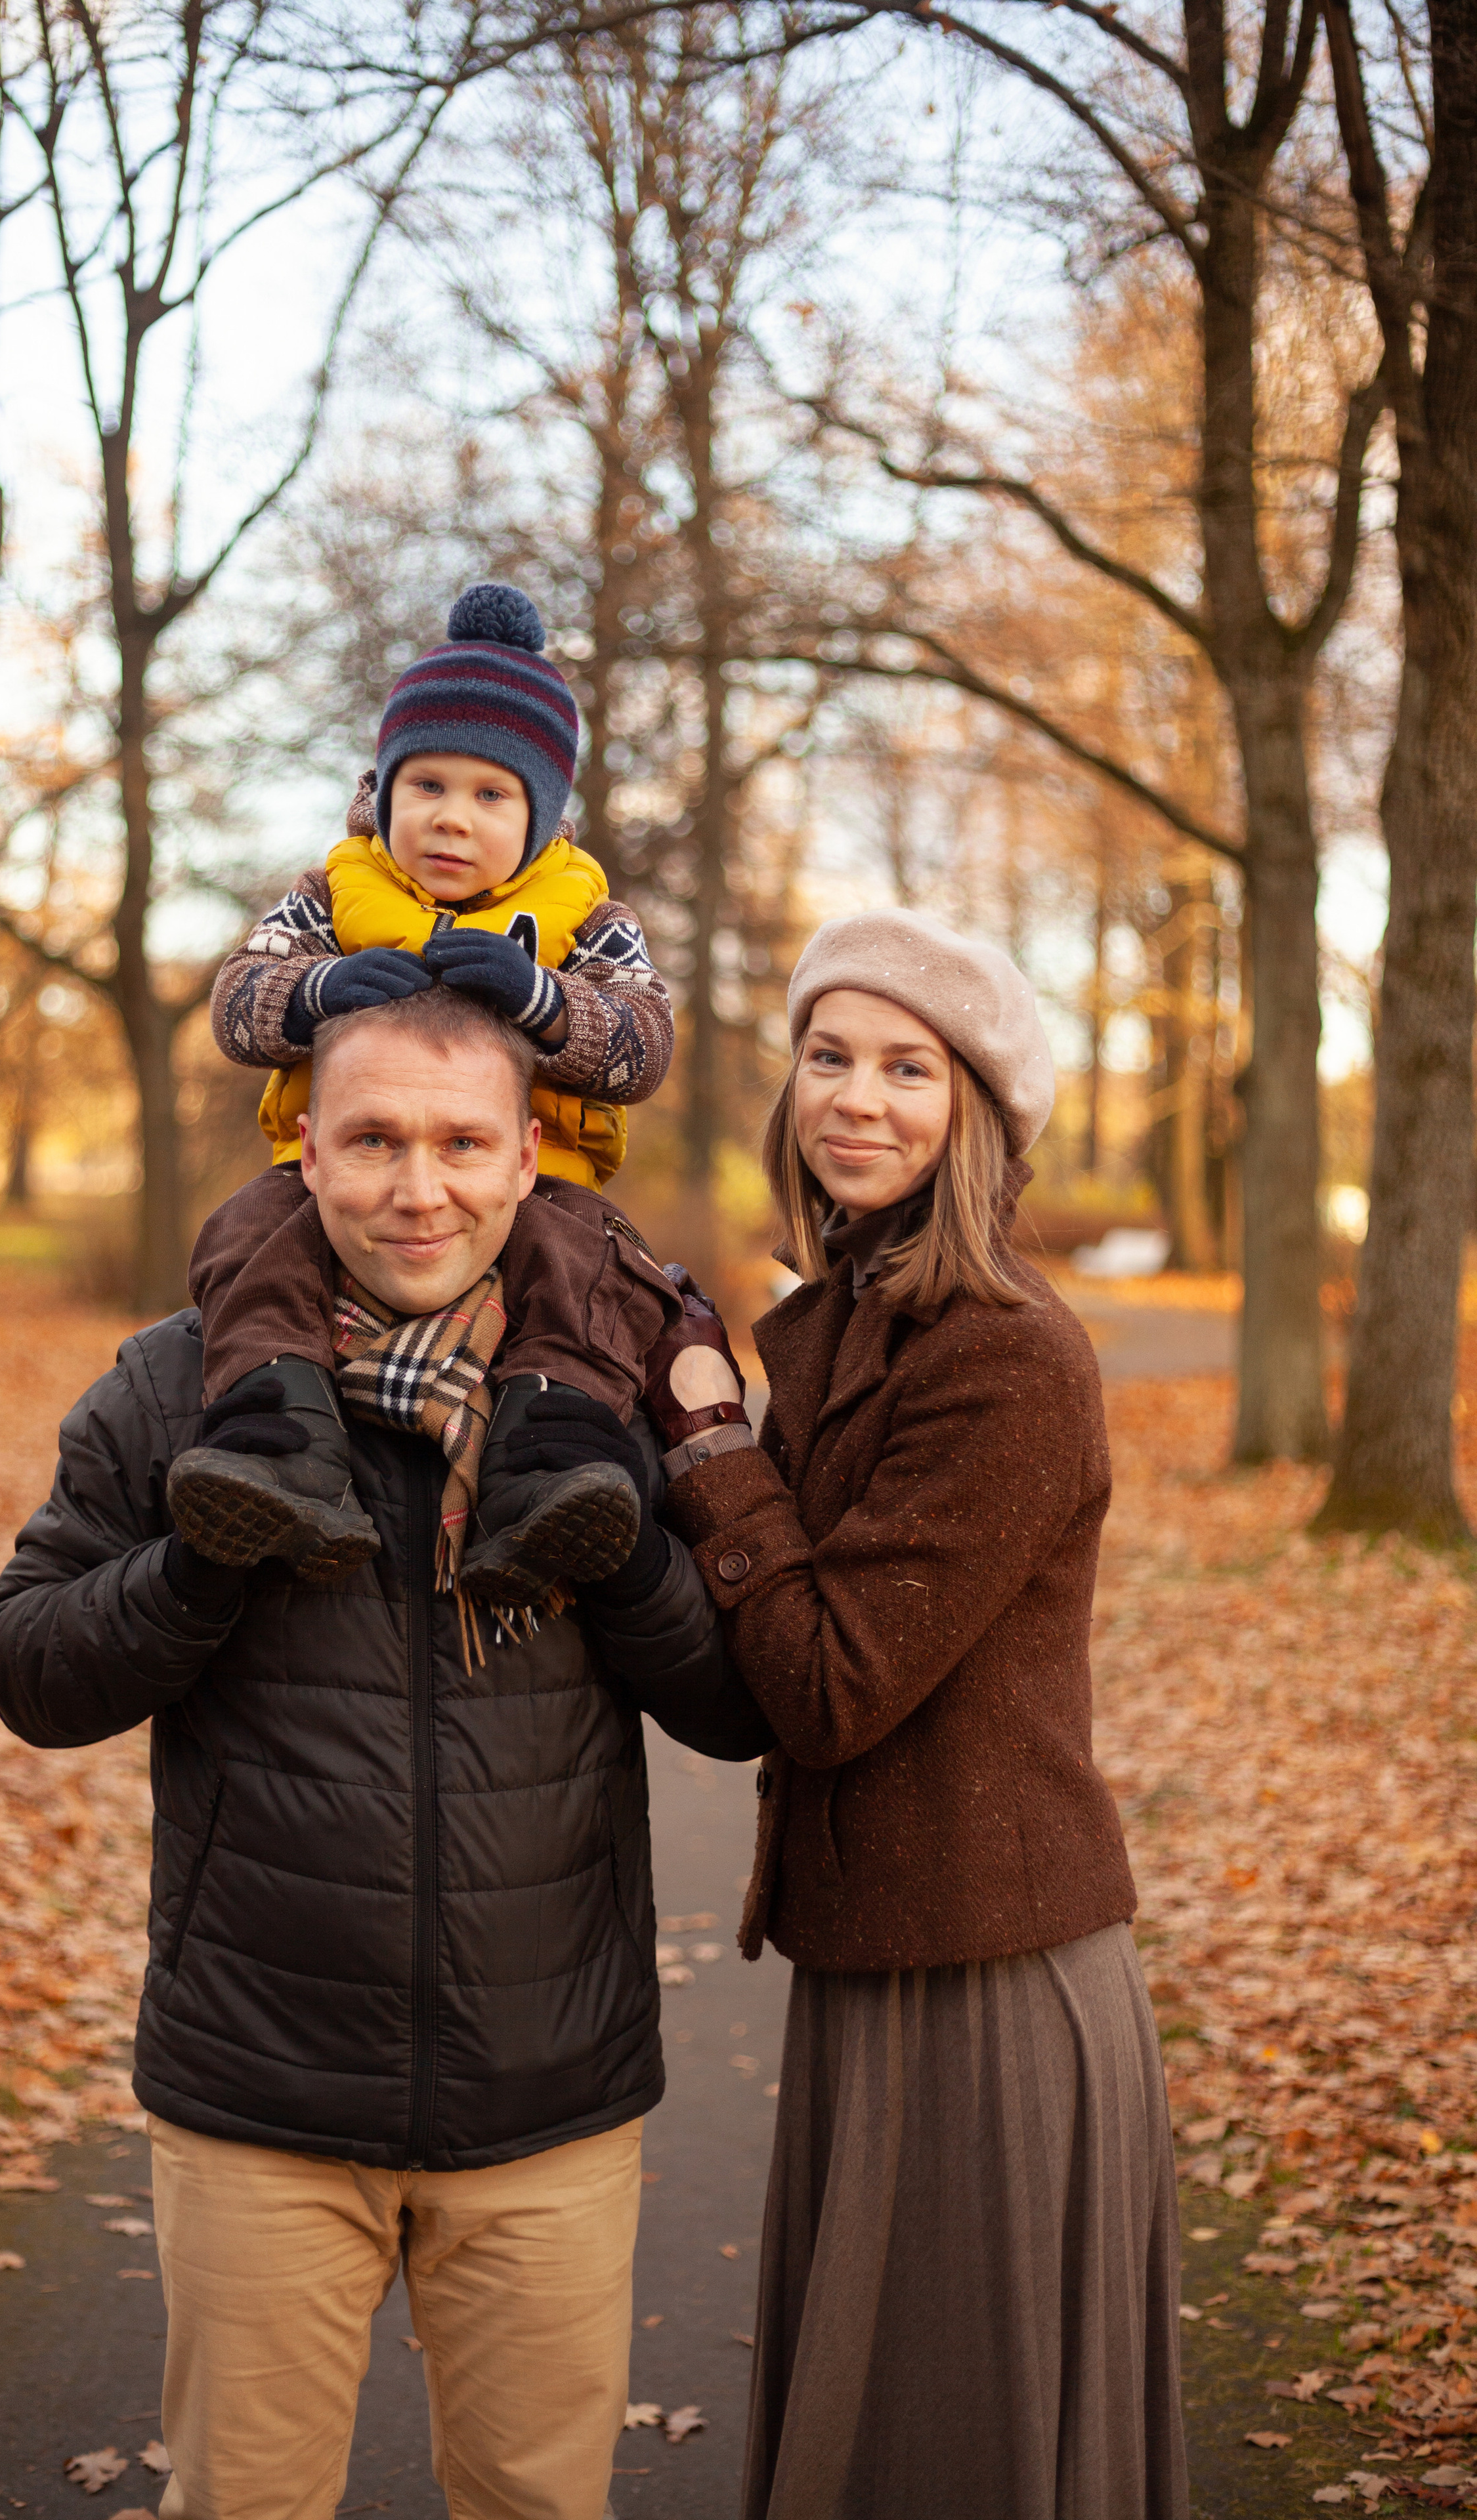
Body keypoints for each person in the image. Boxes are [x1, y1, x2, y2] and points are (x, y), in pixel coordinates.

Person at [0, 981, 772, 2520]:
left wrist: (615, 1559)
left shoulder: (602, 1388)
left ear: (528, 1156)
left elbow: (736, 1709)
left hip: (548, 2103)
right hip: (257, 2101)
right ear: (309, 1158)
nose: (422, 1188)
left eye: (462, 1142)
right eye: (376, 1141)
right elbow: (30, 1666)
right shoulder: (187, 1383)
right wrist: (204, 1565)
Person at [661, 908, 1188, 2520]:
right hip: (887, 1946)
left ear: (974, 1112)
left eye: (907, 1067)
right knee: (886, 2439)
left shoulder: (1007, 1357)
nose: (857, 1098)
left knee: (951, 2454)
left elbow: (822, 1685)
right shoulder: (863, 1321)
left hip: (986, 1978)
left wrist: (709, 1445)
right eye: (829, 1057)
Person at [171, 579, 748, 1612]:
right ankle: (274, 1441)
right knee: (250, 1243)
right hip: (336, 1173)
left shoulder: (587, 919)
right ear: (383, 790)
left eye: (492, 795)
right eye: (425, 785)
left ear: (539, 813)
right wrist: (315, 990)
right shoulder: (330, 896)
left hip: (540, 1183)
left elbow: (646, 1045)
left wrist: (546, 1001)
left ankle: (552, 1465)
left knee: (586, 1276)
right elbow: (232, 1005)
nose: (451, 817)